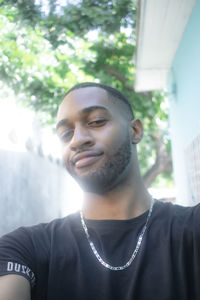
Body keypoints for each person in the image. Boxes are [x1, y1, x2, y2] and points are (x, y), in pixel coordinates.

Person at [0, 82, 200, 300]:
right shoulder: (25, 249)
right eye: (66, 134)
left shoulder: (191, 230)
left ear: (135, 130)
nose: (77, 140)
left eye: (96, 122)